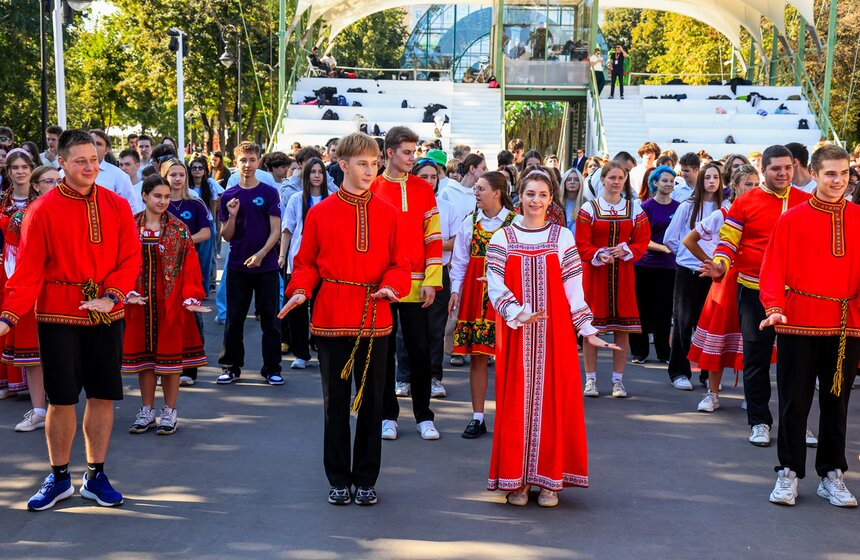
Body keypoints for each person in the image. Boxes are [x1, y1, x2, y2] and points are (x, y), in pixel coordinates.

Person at [0, 129, 141, 511]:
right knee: (61, 400)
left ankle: (95, 475)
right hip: (58, 314)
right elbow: (27, 272)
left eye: (94, 159)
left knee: (101, 397)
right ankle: (59, 477)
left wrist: (111, 296)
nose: (90, 167)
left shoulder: (115, 204)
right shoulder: (41, 210)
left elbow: (130, 258)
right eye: (81, 161)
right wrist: (7, 318)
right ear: (60, 163)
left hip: (107, 314)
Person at [280, 132, 411, 506]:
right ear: (344, 165)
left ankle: (366, 479)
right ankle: (338, 478)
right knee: (334, 404)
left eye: (374, 163)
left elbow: (402, 265)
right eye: (362, 163)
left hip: (375, 316)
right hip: (333, 314)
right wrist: (300, 290)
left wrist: (392, 286)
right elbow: (305, 264)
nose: (370, 170)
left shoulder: (389, 213)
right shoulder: (319, 212)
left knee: (372, 404)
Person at [486, 170, 615, 507]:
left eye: (543, 194)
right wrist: (517, 311)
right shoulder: (502, 238)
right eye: (530, 193)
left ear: (551, 198)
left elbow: (574, 288)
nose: (536, 201)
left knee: (554, 401)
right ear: (520, 195)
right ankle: (517, 480)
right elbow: (494, 284)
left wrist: (588, 329)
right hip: (516, 335)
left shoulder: (562, 237)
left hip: (555, 333)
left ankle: (549, 480)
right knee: (516, 402)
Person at [759, 144, 860, 507]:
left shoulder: (859, 217)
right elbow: (771, 269)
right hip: (797, 322)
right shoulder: (791, 218)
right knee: (793, 402)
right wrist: (773, 306)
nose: (839, 180)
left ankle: (832, 474)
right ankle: (788, 472)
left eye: (844, 173)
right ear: (814, 174)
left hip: (846, 327)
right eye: (831, 173)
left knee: (838, 404)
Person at [701, 145, 810, 447]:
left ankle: (797, 423)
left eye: (788, 167)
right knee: (756, 360)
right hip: (754, 291)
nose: (783, 173)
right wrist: (720, 265)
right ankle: (760, 421)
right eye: (776, 168)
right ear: (763, 169)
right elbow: (728, 242)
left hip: (799, 296)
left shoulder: (807, 201)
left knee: (798, 363)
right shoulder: (745, 202)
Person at [370, 126, 443, 441]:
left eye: (414, 151)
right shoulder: (371, 186)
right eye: (407, 152)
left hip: (417, 285)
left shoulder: (423, 189)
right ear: (389, 153)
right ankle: (388, 415)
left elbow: (434, 237)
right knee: (383, 353)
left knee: (420, 351)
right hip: (383, 285)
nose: (413, 158)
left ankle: (424, 416)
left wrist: (432, 279)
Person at [124, 176, 209, 436]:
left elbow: (191, 267)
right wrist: (124, 291)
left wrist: (192, 296)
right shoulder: (130, 226)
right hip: (139, 303)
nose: (163, 201)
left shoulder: (179, 229)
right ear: (145, 196)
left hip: (170, 303)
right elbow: (121, 261)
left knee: (170, 362)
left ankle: (169, 412)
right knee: (145, 362)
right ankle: (147, 409)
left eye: (166, 197)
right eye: (157, 196)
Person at [449, 171, 520, 439]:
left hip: (506, 297)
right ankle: (478, 417)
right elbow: (460, 262)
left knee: (506, 357)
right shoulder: (471, 222)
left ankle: (509, 416)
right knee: (477, 357)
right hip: (475, 295)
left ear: (497, 192)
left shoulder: (517, 223)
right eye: (475, 188)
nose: (475, 193)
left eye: (480, 188)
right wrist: (456, 291)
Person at [686, 165, 760, 412]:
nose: (753, 188)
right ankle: (713, 393)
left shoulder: (763, 211)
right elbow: (690, 239)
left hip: (754, 280)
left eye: (756, 184)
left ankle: (752, 394)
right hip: (727, 282)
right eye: (748, 184)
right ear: (736, 186)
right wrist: (711, 263)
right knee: (718, 338)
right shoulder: (724, 212)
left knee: (751, 341)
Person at [576, 162, 651, 397]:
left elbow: (642, 239)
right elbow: (581, 243)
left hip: (624, 276)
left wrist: (626, 250)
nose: (616, 182)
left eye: (621, 177)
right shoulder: (589, 209)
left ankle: (618, 380)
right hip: (596, 275)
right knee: (592, 329)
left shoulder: (634, 209)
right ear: (603, 180)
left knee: (622, 328)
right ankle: (590, 380)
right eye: (612, 177)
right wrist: (599, 253)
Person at [216, 142, 284, 386]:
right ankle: (230, 367)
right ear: (236, 163)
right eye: (243, 160)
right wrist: (232, 216)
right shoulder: (229, 196)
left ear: (258, 162)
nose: (248, 164)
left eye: (252, 159)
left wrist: (261, 254)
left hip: (265, 267)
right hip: (237, 266)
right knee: (234, 318)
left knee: (270, 320)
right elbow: (227, 235)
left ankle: (273, 369)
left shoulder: (268, 192)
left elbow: (276, 230)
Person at [395, 157, 455, 399]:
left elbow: (451, 243)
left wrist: (429, 242)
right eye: (424, 176)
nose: (429, 181)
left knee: (435, 329)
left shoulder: (447, 206)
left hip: (438, 271)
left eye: (433, 176)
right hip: (408, 272)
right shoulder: (404, 202)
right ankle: (403, 377)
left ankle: (434, 377)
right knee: (404, 331)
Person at [662, 162, 724, 390]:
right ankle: (679, 371)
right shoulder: (687, 206)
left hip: (714, 273)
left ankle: (708, 373)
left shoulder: (725, 207)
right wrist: (685, 255)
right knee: (683, 322)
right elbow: (670, 237)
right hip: (688, 272)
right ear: (701, 180)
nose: (711, 181)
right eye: (707, 177)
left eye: (715, 177)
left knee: (709, 325)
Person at [0, 152, 47, 432]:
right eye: (14, 168)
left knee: (44, 338)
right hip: (10, 273)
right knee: (18, 330)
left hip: (43, 276)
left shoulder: (42, 204)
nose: (20, 172)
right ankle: (38, 406)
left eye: (25, 167)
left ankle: (52, 402)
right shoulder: (4, 201)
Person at [280, 157, 329, 370]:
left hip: (325, 263)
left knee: (321, 308)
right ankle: (301, 353)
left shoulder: (332, 199)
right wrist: (282, 255)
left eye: (320, 172)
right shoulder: (297, 199)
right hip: (299, 263)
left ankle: (319, 344)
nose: (317, 176)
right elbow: (287, 229)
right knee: (297, 309)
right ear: (306, 175)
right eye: (313, 172)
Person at [629, 166, 679, 363]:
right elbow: (641, 239)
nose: (668, 184)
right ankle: (639, 352)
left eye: (671, 181)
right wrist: (664, 248)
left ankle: (663, 351)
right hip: (644, 264)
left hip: (668, 267)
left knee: (664, 310)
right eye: (664, 180)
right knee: (641, 308)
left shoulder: (679, 207)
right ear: (655, 183)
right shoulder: (645, 207)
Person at [89, 129, 137, 212]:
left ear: (107, 149)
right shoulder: (69, 172)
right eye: (91, 143)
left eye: (99, 144)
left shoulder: (119, 175)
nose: (94, 147)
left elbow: (131, 208)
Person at [441, 153, 484, 222]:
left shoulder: (480, 193)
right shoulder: (447, 192)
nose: (485, 172)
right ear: (472, 169)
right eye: (483, 168)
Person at [561, 167, 586, 235]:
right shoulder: (558, 202)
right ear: (564, 182)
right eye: (569, 179)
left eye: (576, 180)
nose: (572, 182)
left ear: (580, 183)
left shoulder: (586, 204)